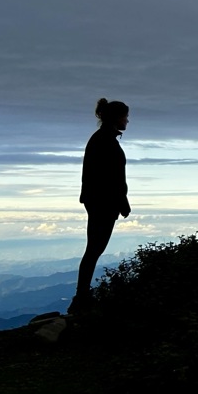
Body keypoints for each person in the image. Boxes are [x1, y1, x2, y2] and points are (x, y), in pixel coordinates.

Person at [71, 98, 131, 314]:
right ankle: (81, 298)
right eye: (125, 116)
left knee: (94, 248)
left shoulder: (101, 139)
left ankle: (82, 296)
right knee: (94, 249)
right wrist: (122, 202)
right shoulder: (105, 141)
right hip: (102, 203)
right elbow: (110, 177)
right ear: (116, 118)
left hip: (98, 201)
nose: (127, 120)